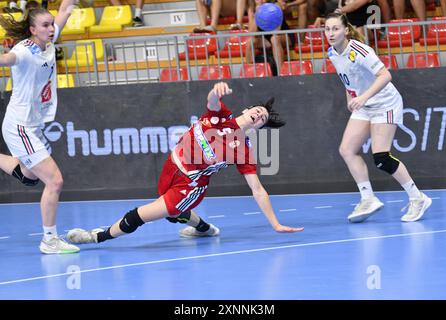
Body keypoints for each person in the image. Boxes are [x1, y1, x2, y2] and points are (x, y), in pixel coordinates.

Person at [66, 82, 304, 246]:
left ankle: (97, 237)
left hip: (189, 186)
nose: (259, 115)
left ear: (260, 127)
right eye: (258, 111)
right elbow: (211, 100)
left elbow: (257, 189)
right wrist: (216, 90)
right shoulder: (221, 115)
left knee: (140, 215)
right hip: (172, 166)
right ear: (248, 109)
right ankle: (205, 229)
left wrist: (275, 223)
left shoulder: (243, 149)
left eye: (262, 119)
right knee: (174, 215)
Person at [324, 12, 432, 223]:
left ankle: (417, 198)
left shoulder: (360, 50)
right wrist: (351, 97)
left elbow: (385, 75)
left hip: (385, 103)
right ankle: (368, 199)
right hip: (364, 105)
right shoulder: (332, 53)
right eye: (327, 29)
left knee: (381, 158)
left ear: (346, 30)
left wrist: (362, 97)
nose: (331, 33)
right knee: (347, 150)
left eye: (335, 28)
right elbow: (348, 79)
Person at [0, 0, 80, 253]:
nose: (51, 28)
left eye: (51, 24)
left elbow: (66, 7)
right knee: (54, 180)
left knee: (30, 175)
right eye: (46, 25)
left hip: (32, 125)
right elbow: (8, 59)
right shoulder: (24, 51)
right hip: (19, 125)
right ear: (33, 30)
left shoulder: (48, 42)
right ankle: (49, 240)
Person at [246, 0, 294, 76]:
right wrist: (257, 14)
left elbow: (277, 31)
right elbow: (252, 34)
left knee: (274, 39)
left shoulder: (276, 6)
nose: (261, 0)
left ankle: (281, 73)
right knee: (250, 42)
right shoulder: (252, 10)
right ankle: (250, 74)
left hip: (283, 35)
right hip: (266, 38)